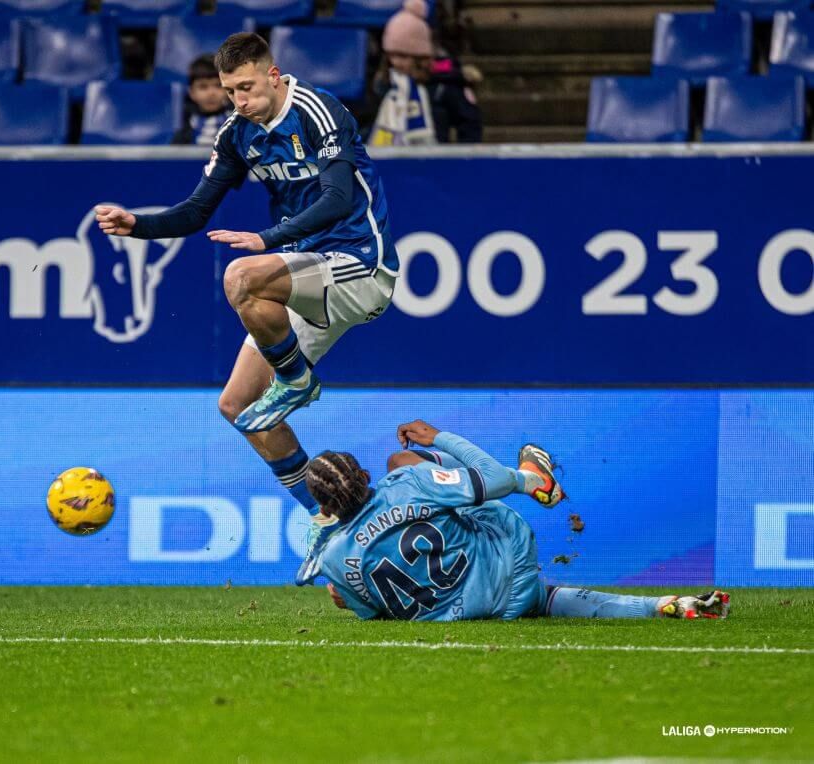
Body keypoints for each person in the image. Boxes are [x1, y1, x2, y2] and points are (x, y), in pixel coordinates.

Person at [93, 33, 398, 575]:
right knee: (238, 407)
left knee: (241, 277)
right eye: (231, 90)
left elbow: (339, 199)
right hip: (301, 274)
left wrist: (268, 238)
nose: (239, 100)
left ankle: (296, 381)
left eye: (248, 87)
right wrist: (138, 226)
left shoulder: (318, 111)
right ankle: (327, 520)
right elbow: (195, 211)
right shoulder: (238, 134)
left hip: (359, 264)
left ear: (274, 74)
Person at [305, 419, 731, 621]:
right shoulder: (406, 482)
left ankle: (662, 607)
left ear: (324, 508)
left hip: (479, 613)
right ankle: (532, 479)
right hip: (513, 568)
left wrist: (347, 592)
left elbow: (374, 614)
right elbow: (490, 479)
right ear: (363, 477)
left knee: (535, 597)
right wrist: (438, 437)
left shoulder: (333, 561)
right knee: (405, 459)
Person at [369, 0, 482, 146]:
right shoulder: (384, 85)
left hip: (437, 161)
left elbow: (469, 124)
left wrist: (462, 159)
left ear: (420, 58)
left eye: (403, 56)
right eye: (392, 56)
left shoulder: (444, 85)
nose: (396, 62)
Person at [171, 55, 232, 146]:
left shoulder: (238, 122)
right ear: (192, 93)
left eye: (218, 85)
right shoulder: (186, 126)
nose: (211, 93)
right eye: (203, 87)